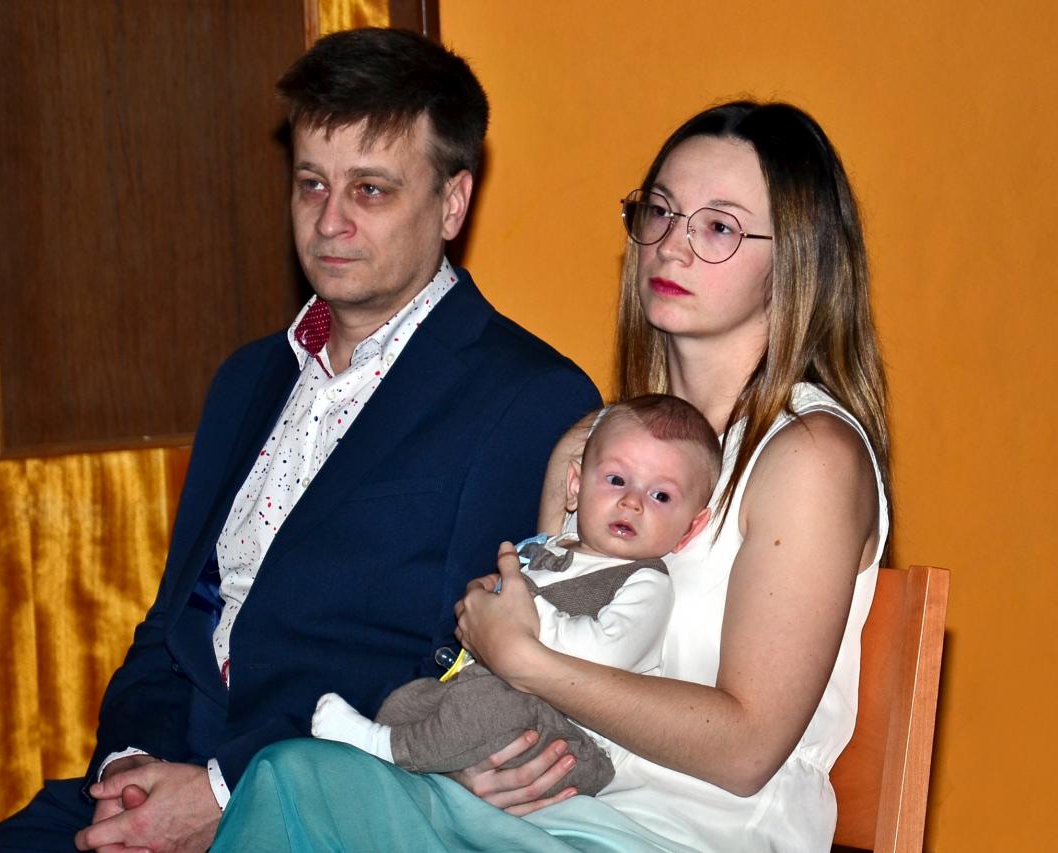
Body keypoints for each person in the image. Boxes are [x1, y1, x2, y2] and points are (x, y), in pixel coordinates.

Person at [0, 27, 600, 853]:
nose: (330, 221)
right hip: (149, 784)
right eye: (311, 184)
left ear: (452, 202)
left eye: (370, 190)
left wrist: (223, 791)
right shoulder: (247, 378)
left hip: (325, 803)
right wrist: (132, 765)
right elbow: (172, 627)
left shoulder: (531, 398)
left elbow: (454, 664)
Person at [209, 99, 891, 853]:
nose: (672, 246)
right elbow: (528, 668)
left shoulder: (810, 454)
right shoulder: (590, 445)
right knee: (294, 775)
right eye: (660, 212)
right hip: (556, 814)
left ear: (798, 258)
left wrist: (527, 661)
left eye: (720, 227)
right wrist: (476, 764)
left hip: (698, 838)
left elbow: (747, 749)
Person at [311, 394, 719, 799]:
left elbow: (606, 655)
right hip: (495, 695)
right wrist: (490, 596)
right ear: (575, 487)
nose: (632, 502)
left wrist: (525, 610)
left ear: (690, 528)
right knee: (413, 698)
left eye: (661, 496)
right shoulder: (549, 549)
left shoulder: (647, 582)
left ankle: (390, 750)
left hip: (569, 738)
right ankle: (394, 748)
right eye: (616, 480)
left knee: (491, 704)